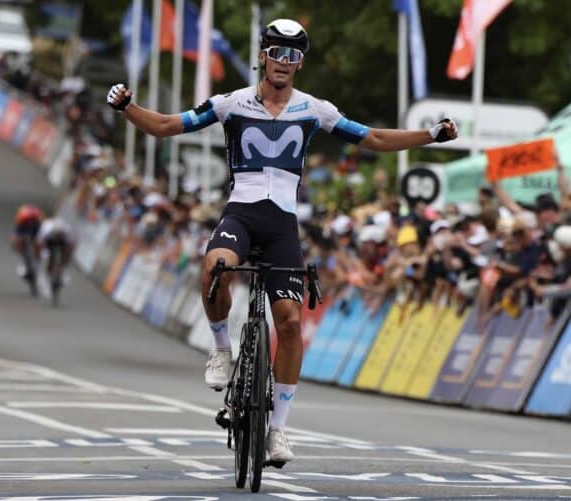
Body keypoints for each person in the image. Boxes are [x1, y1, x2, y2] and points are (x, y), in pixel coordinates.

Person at [107, 18, 458, 463]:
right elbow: (166, 125)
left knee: (290, 323)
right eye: (276, 53)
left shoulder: (314, 109)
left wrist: (430, 136)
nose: (283, 63)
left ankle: (278, 431)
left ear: (300, 64)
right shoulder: (232, 103)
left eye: (292, 56)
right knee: (216, 266)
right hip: (242, 213)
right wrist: (127, 108)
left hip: (282, 227)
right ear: (262, 56)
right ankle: (220, 349)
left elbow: (372, 137)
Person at [36, 217, 75, 288]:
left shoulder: (67, 230)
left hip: (62, 241)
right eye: (57, 234)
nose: (58, 235)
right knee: (46, 257)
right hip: (49, 241)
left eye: (60, 234)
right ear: (54, 231)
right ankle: (45, 274)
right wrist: (41, 254)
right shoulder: (46, 229)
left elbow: (71, 245)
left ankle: (62, 270)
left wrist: (67, 257)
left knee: (67, 252)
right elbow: (40, 243)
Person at [12, 204, 44, 285]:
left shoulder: (39, 224)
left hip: (35, 233)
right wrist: (16, 244)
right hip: (23, 232)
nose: (30, 222)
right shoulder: (21, 222)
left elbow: (42, 236)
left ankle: (37, 264)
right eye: (29, 221)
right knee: (18, 242)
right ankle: (23, 260)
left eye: (32, 221)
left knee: (39, 246)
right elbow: (16, 235)